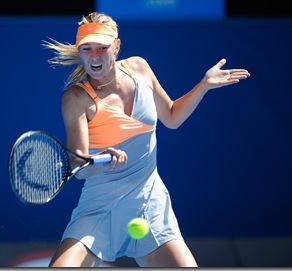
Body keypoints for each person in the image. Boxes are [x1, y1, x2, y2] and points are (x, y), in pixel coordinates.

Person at [42, 11, 250, 267]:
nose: (94, 56)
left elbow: (172, 117)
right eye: (87, 49)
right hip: (99, 207)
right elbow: (78, 166)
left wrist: (203, 85)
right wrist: (99, 159)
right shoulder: (75, 98)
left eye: (102, 48)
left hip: (149, 201)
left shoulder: (139, 68)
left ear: (117, 46)